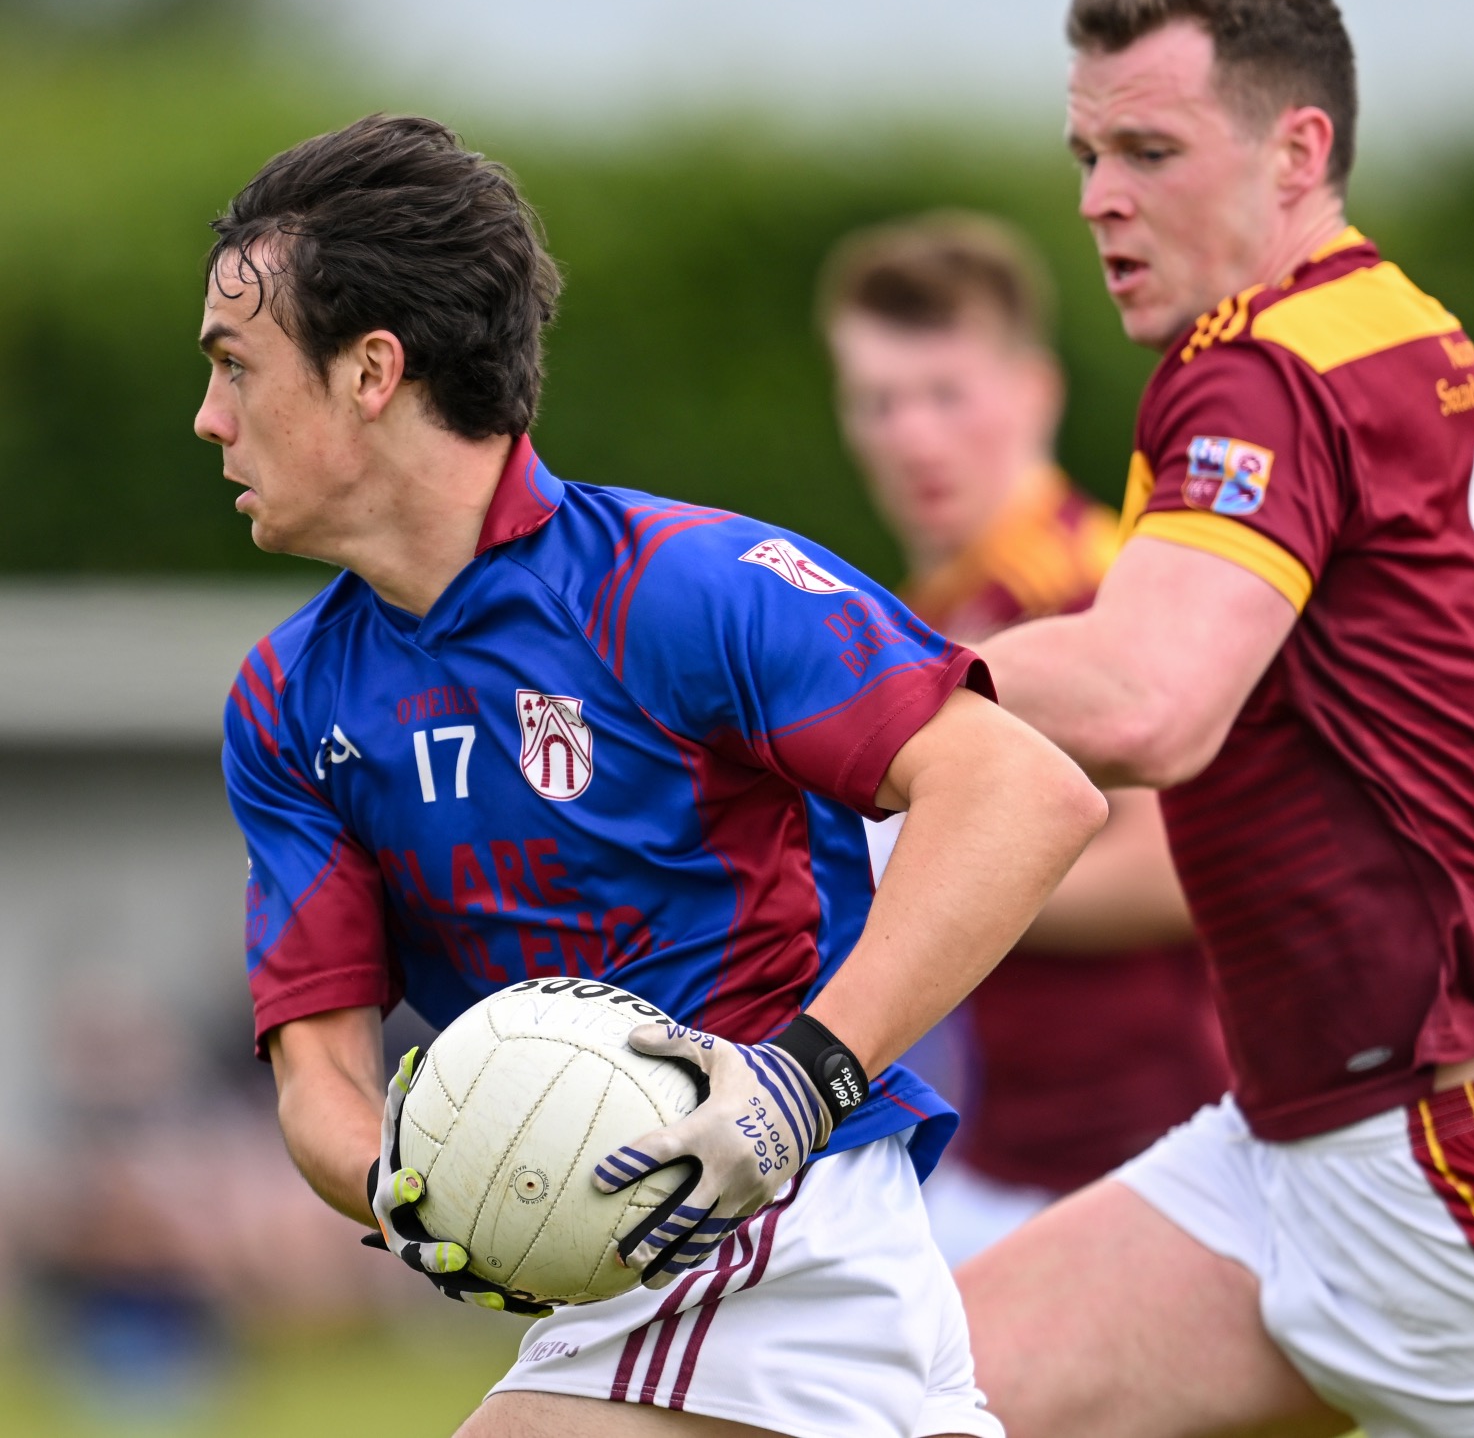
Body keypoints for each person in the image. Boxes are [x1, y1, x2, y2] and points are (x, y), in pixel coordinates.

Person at [195, 114, 1105, 1438]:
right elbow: (318, 1077)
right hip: (620, 1267)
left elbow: (1024, 794)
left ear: (372, 370)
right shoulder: (290, 701)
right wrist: (409, 1183)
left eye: (236, 365)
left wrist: (796, 1086)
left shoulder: (677, 586)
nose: (210, 417)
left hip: (774, 1226)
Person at [954, 0, 1474, 1438]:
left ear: (1297, 151)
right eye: (1087, 155)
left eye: (1149, 152)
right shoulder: (1391, 324)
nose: (1099, 200)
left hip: (1436, 1146)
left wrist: (804, 680)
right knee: (900, 1396)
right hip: (1300, 1147)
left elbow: (1147, 701)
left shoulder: (1261, 366)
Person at [818, 211, 1228, 1262]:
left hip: (1146, 1150)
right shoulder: (923, 614)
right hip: (1008, 1150)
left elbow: (1174, 874)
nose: (913, 435)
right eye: (879, 400)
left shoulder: (1096, 593)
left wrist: (908, 881)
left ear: (1035, 392)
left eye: (946, 393)